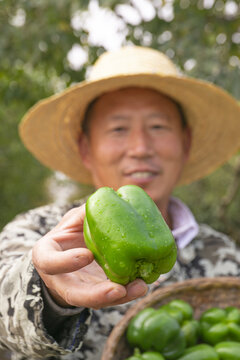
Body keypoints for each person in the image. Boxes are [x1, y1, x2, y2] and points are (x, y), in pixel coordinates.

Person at [1, 46, 240, 360]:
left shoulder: (223, 253)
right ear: (86, 148)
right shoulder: (39, 231)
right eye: (118, 129)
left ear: (186, 142)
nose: (140, 148)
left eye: (158, 127)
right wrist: (50, 292)